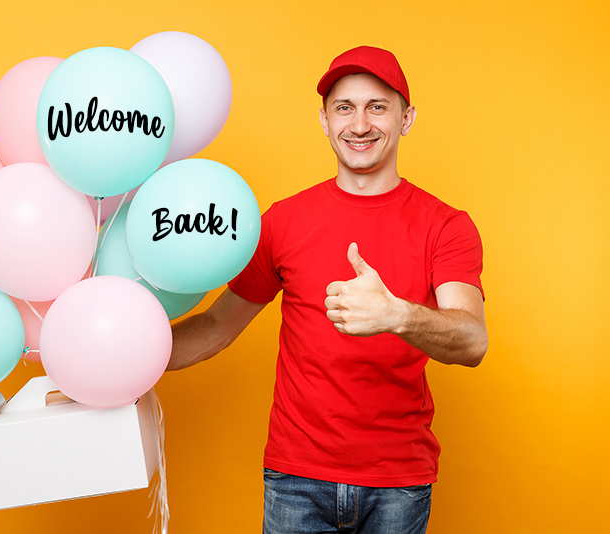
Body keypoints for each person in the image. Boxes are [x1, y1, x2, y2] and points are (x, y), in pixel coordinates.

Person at [167, 45, 488, 534]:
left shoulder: (446, 226)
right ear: (324, 120)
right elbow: (216, 326)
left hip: (398, 483)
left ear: (407, 118)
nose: (359, 125)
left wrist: (396, 315)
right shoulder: (283, 222)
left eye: (377, 107)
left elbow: (472, 341)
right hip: (296, 480)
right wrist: (130, 359)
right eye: (345, 108)